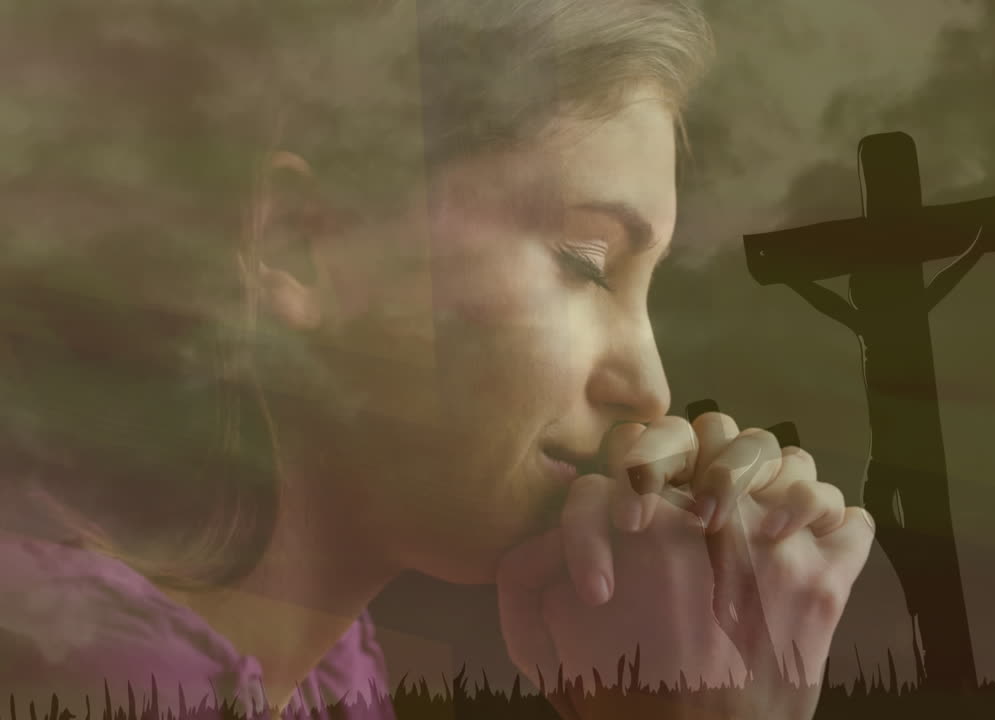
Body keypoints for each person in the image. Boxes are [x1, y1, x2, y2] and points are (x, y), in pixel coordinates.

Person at [0, 1, 876, 718]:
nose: (650, 392)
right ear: (302, 242)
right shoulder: (82, 671)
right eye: (584, 261)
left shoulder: (329, 680)